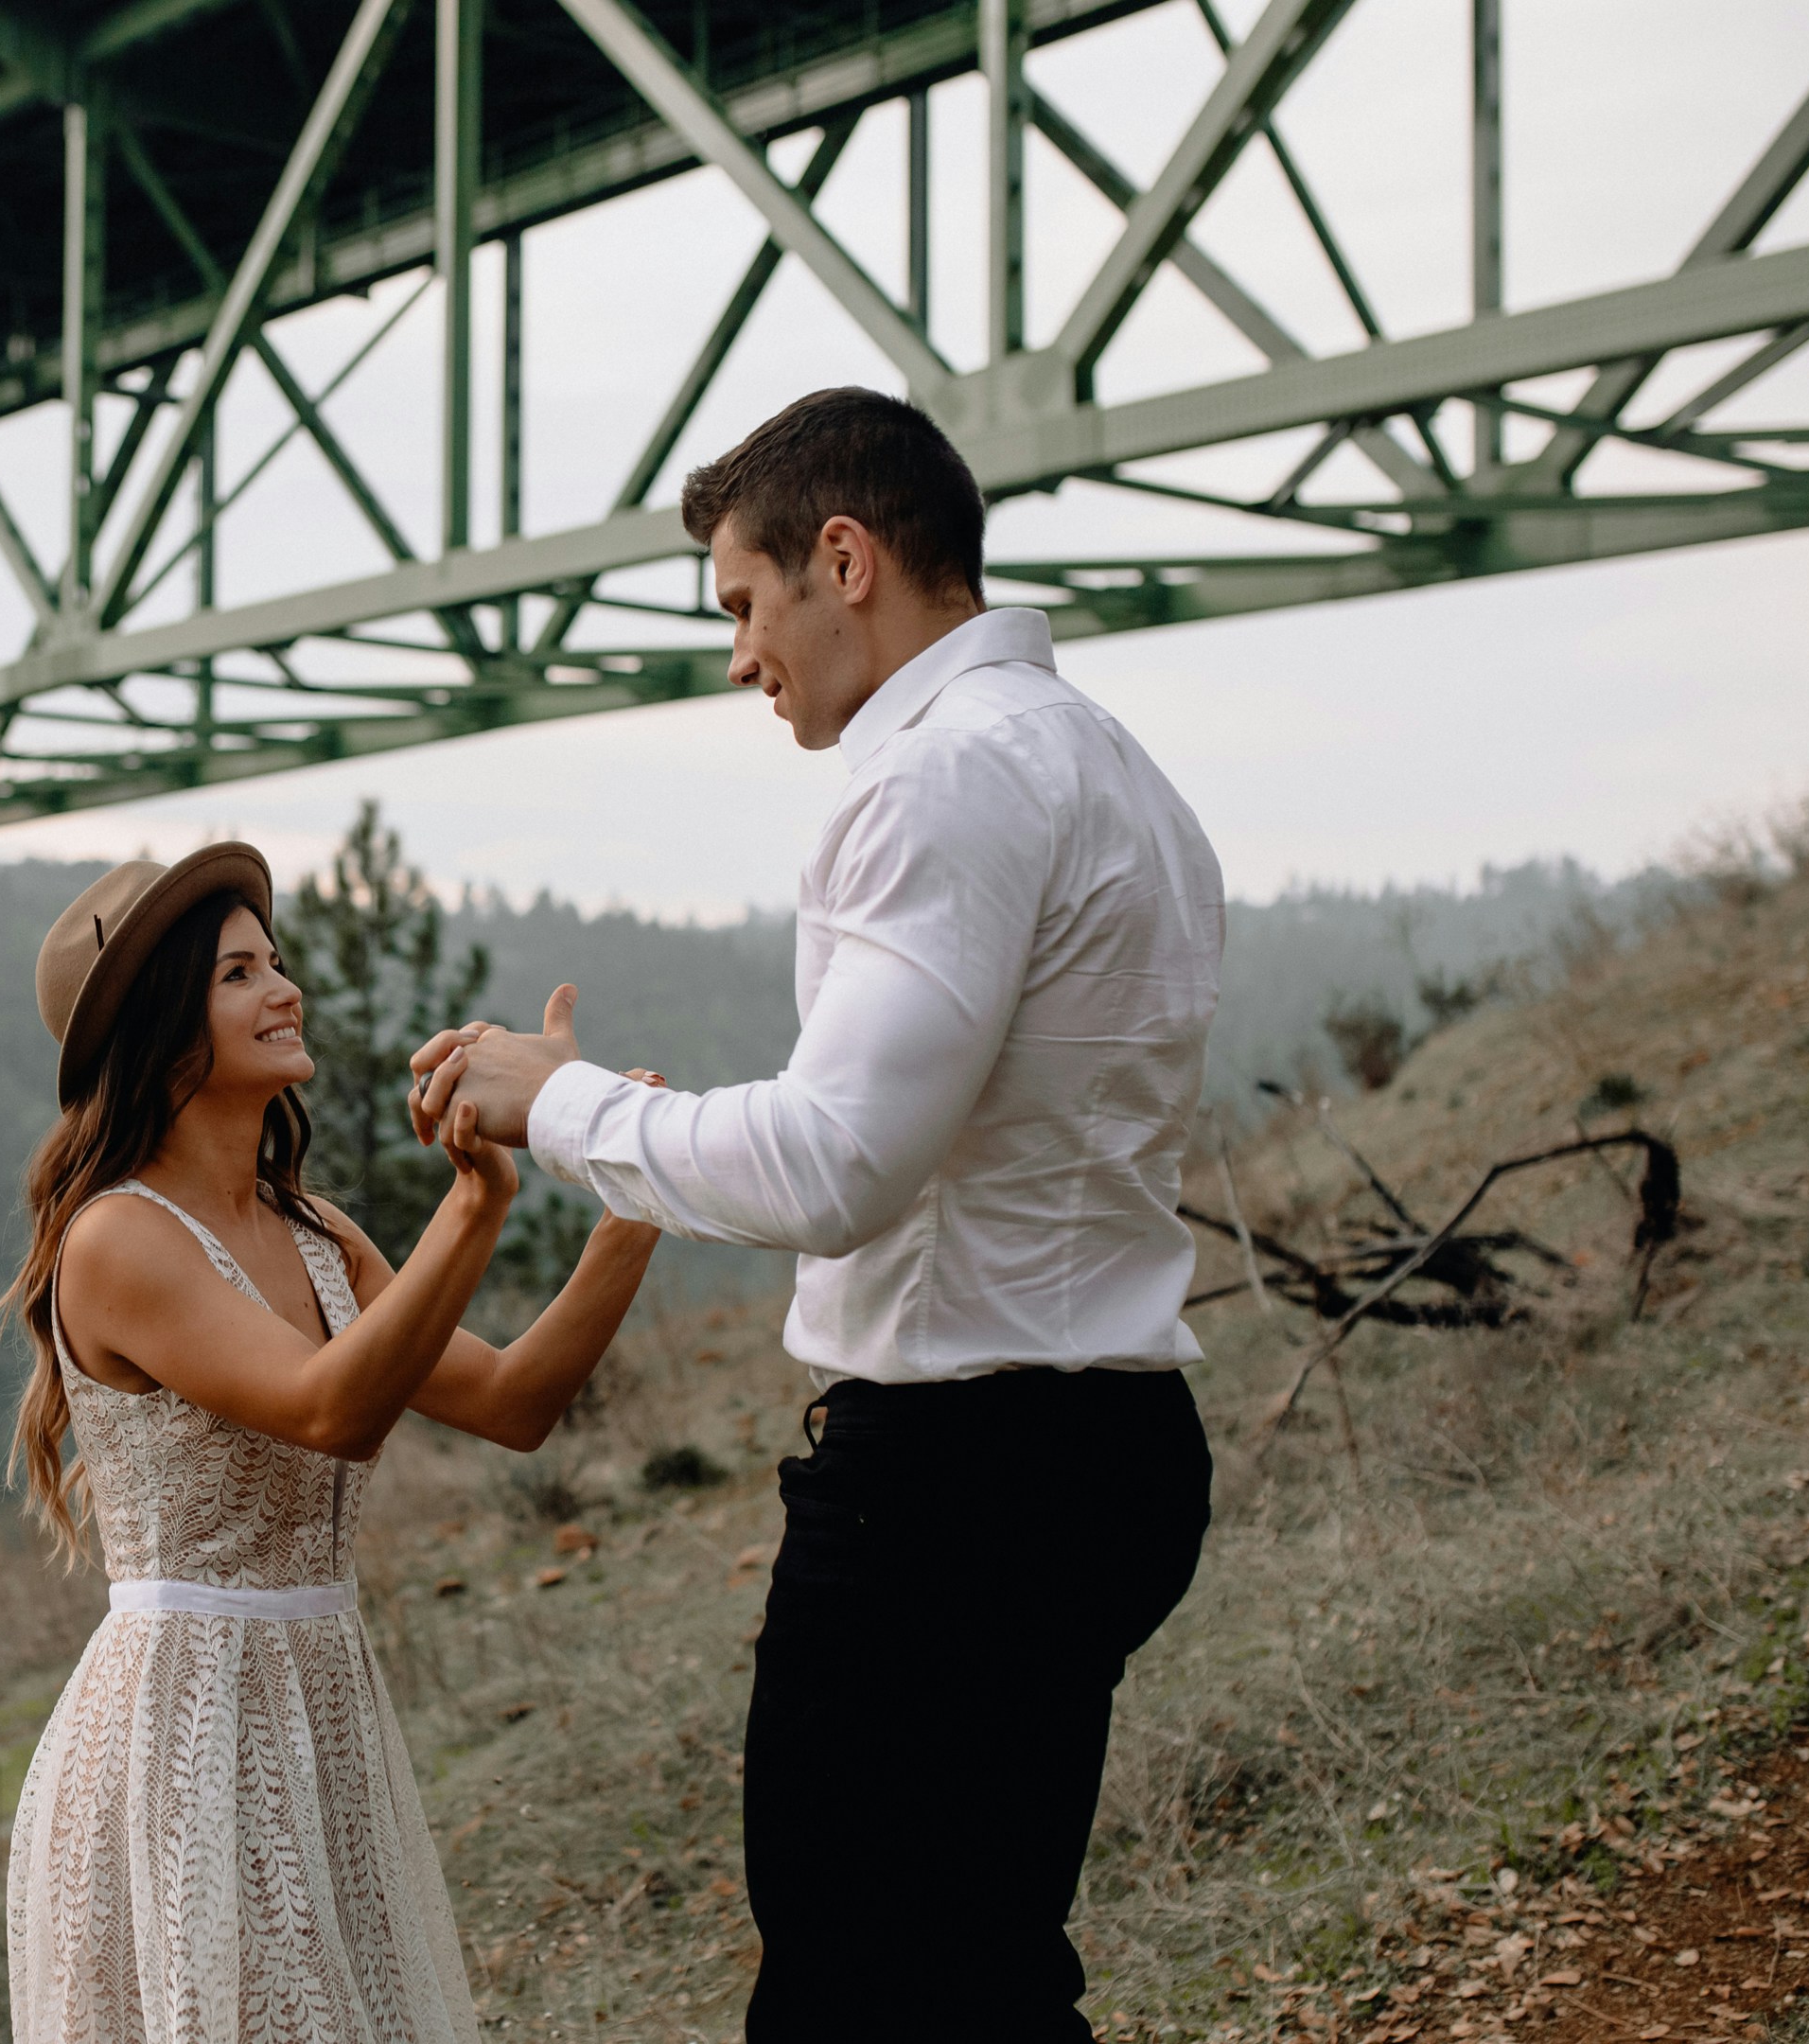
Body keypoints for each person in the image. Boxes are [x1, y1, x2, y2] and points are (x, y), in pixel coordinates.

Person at [408, 386, 1225, 2040]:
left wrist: (550, 1105)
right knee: (978, 1974)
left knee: (858, 1983)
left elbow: (835, 1169)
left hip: (961, 1481)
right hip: (1108, 1438)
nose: (737, 658)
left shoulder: (941, 781)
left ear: (842, 559)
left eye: (741, 603)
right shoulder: (1113, 767)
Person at [0, 842, 663, 2044]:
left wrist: (636, 1198)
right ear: (160, 1029)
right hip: (184, 1729)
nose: (284, 989)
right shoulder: (117, 1242)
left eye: (278, 960)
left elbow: (515, 1402)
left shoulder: (316, 1235)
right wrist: (478, 1203)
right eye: (239, 973)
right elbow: (331, 1410)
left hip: (325, 1711)